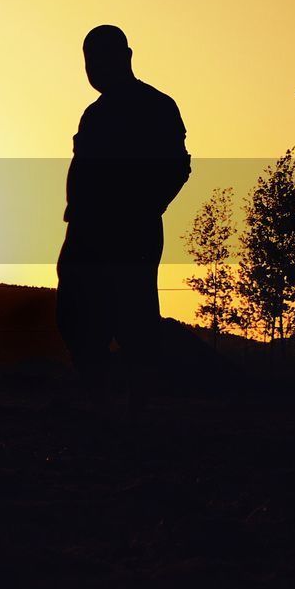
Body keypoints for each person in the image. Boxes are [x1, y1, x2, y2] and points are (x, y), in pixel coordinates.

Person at [56, 24, 190, 399]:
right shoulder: (94, 114)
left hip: (132, 232)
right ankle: (99, 394)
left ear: (126, 57)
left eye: (100, 59)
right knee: (76, 312)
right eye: (88, 62)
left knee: (133, 317)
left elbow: (178, 166)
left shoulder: (157, 106)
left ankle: (136, 406)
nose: (93, 69)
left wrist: (142, 209)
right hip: (86, 230)